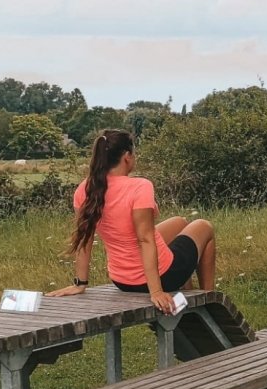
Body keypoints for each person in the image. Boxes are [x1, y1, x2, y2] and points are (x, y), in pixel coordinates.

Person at [47, 129, 215, 313]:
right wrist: (156, 291)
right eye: (134, 153)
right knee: (204, 226)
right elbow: (145, 239)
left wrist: (80, 283)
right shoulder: (140, 186)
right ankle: (208, 300)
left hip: (123, 281)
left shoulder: (86, 188)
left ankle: (187, 295)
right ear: (127, 156)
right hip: (164, 276)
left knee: (180, 222)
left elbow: (84, 239)